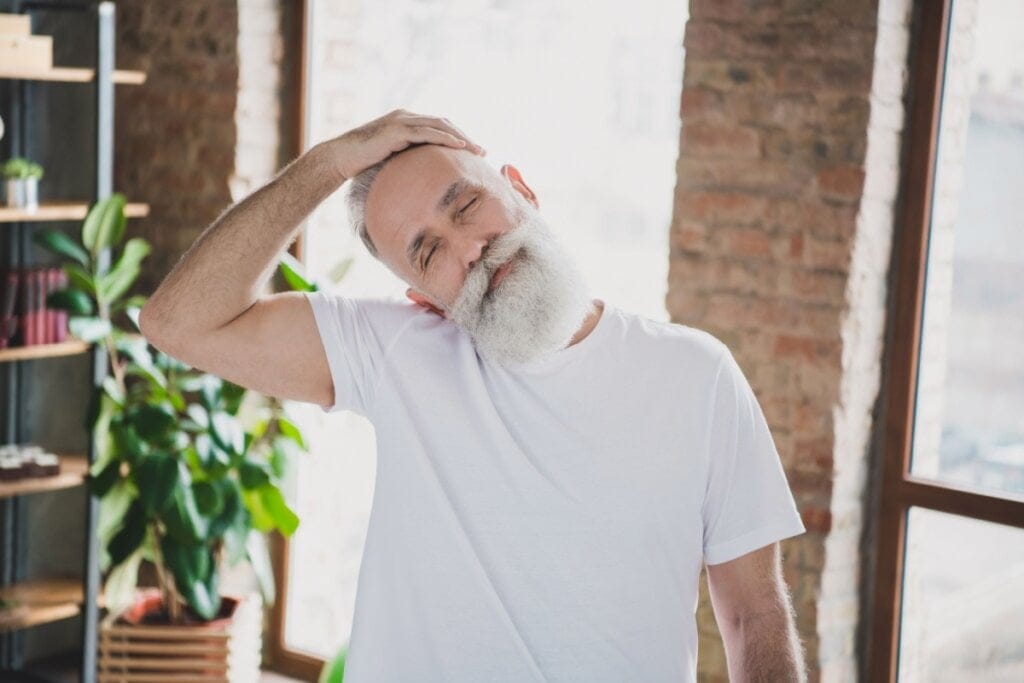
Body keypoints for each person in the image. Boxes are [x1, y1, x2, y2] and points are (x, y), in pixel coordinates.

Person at [140, 109, 808, 682]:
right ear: (420, 296)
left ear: (521, 190)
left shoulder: (697, 374)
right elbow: (177, 321)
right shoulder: (396, 351)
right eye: (429, 252)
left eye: (466, 206)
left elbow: (755, 616)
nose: (473, 247)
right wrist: (325, 164)